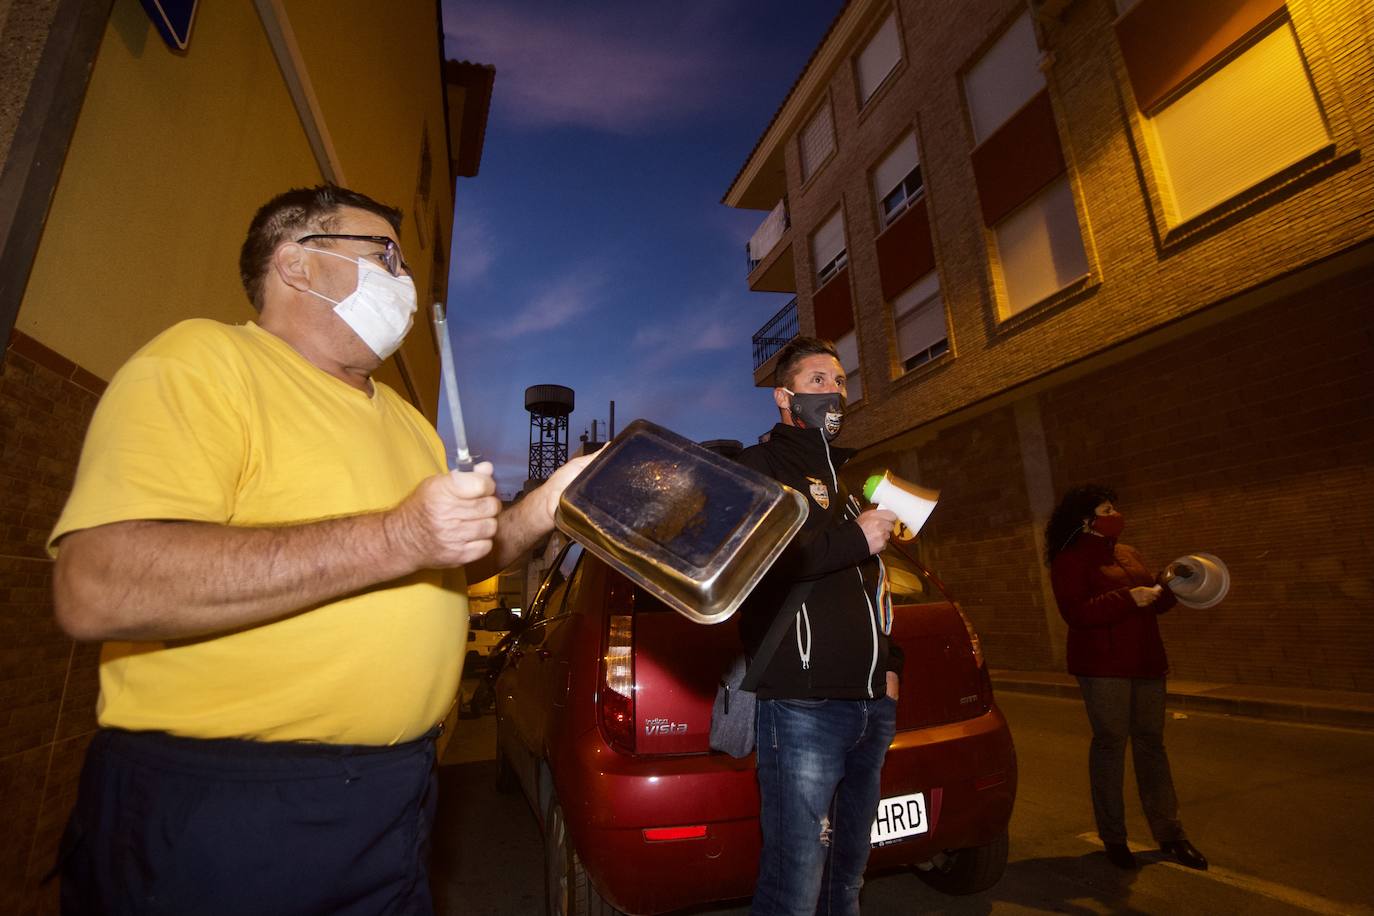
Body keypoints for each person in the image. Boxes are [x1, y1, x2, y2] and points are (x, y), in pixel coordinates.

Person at [47, 184, 589, 914]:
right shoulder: (204, 361)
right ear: (296, 265)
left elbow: (447, 558)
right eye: (385, 256)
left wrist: (547, 506)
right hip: (226, 809)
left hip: (394, 797)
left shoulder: (405, 421)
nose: (402, 281)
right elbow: (97, 587)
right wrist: (397, 535)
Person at [735, 336, 901, 915]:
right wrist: (856, 539)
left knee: (847, 879)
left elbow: (873, 587)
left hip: (870, 705)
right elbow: (764, 564)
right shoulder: (755, 469)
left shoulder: (851, 486)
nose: (835, 391)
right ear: (784, 397)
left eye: (839, 380)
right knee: (794, 888)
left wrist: (891, 666)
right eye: (817, 382)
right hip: (802, 706)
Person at [1045, 484, 1208, 872]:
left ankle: (1170, 834)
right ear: (1086, 520)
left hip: (1147, 661)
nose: (1114, 513)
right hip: (1103, 667)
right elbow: (1076, 613)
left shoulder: (1128, 553)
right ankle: (1114, 838)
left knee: (1152, 745)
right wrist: (1126, 598)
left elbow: (1152, 598)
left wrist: (1170, 584)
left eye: (1114, 507)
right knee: (1111, 745)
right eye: (1106, 508)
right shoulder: (1069, 559)